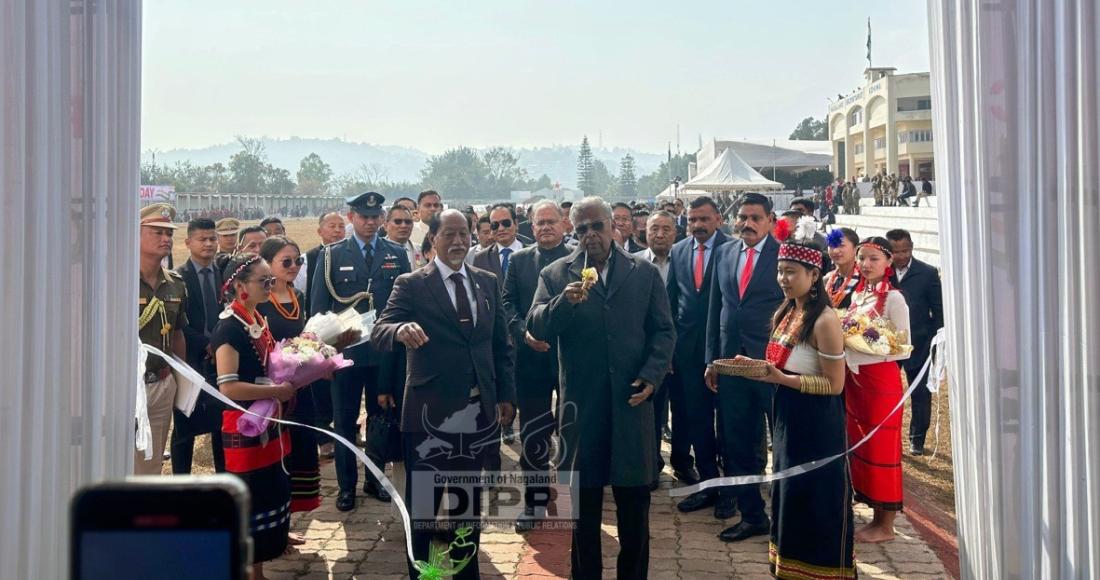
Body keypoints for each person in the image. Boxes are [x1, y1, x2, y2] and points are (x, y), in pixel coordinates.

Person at [528, 196, 675, 580]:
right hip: (583, 411)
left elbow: (663, 331)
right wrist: (565, 303)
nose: (590, 235)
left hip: (631, 403)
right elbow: (538, 325)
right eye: (581, 229)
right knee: (583, 515)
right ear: (571, 232)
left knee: (633, 514)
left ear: (614, 226)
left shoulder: (642, 272)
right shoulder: (556, 275)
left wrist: (652, 374)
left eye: (597, 226)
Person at [372, 209, 516, 580]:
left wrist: (505, 396)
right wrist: (401, 328)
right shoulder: (412, 284)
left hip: (477, 414)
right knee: (424, 511)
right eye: (449, 234)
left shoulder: (485, 281)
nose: (457, 242)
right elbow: (380, 328)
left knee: (467, 509)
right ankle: (424, 574)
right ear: (432, 239)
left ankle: (467, 574)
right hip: (428, 417)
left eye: (463, 234)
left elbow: (500, 346)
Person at [742, 218, 855, 579]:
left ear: (814, 274)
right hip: (789, 416)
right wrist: (752, 366)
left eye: (791, 272)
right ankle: (789, 567)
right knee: (789, 493)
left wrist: (781, 379)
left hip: (817, 424)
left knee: (815, 499)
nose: (783, 279)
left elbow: (835, 385)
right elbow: (781, 366)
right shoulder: (789, 311)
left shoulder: (824, 320)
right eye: (780, 271)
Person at [310, 191, 411, 511]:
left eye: (374, 217)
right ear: (350, 217)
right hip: (347, 354)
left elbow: (405, 305)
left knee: (381, 419)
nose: (369, 222)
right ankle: (346, 487)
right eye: (363, 217)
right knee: (345, 421)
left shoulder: (396, 253)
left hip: (384, 354)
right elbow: (318, 310)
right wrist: (322, 357)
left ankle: (374, 480)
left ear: (381, 219)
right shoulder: (330, 256)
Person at [704, 192, 785, 541]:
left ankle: (787, 521)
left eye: (755, 217)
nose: (747, 224)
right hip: (731, 365)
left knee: (782, 444)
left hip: (772, 365)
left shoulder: (785, 254)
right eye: (742, 217)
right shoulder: (723, 253)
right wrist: (712, 360)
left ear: (769, 220)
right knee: (737, 442)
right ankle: (752, 515)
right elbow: (715, 308)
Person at [211, 253, 294, 579]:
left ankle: (258, 566)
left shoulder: (257, 319)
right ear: (239, 286)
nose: (270, 286)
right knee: (251, 498)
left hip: (265, 423)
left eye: (271, 280)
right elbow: (228, 388)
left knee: (269, 490)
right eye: (264, 282)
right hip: (244, 426)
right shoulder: (229, 328)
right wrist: (275, 392)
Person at [502, 200, 574, 532]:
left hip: (571, 357)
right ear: (531, 227)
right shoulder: (519, 261)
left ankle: (573, 494)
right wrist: (524, 333)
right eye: (539, 223)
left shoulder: (579, 258)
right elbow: (507, 303)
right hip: (531, 359)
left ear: (564, 224)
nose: (545, 227)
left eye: (551, 221)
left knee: (573, 426)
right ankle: (534, 501)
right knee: (533, 432)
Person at [844, 236, 912, 543]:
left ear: (887, 263)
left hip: (880, 381)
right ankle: (872, 513)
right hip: (855, 380)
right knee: (862, 446)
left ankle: (886, 524)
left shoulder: (893, 298)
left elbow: (904, 347)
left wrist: (869, 344)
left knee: (882, 449)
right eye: (862, 258)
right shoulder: (860, 295)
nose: (866, 265)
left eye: (874, 259)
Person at [668, 197, 729, 513]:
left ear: (718, 219)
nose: (698, 226)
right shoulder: (678, 251)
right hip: (689, 352)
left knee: (731, 423)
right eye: (692, 220)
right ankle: (709, 486)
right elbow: (670, 301)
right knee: (698, 421)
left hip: (728, 349)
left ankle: (732, 491)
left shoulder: (734, 249)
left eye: (704, 219)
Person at [257, 237, 323, 526]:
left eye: (298, 261)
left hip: (302, 389)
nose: (294, 266)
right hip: (272, 392)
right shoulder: (260, 300)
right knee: (276, 454)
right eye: (286, 261)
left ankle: (291, 520)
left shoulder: (299, 295)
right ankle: (277, 522)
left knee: (302, 449)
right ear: (268, 264)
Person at [136, 203, 189, 475]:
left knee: (152, 460)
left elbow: (178, 333)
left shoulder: (176, 284)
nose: (166, 238)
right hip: (126, 387)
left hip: (162, 382)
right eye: (157, 232)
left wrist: (180, 381)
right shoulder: (119, 280)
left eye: (169, 233)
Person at [172, 217, 226, 474]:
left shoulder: (225, 275)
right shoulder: (177, 278)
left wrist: (220, 345)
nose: (208, 244)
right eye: (202, 239)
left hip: (222, 359)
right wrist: (206, 344)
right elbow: (177, 324)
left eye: (212, 239)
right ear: (188, 242)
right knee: (185, 426)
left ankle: (223, 480)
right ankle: (180, 483)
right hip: (190, 358)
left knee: (220, 424)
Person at [886, 229, 944, 455]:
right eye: (896, 251)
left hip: (919, 344)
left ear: (912, 247)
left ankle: (917, 439)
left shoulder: (927, 273)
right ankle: (889, 438)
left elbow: (939, 310)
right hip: (887, 344)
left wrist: (934, 339)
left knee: (920, 392)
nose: (901, 256)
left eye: (905, 250)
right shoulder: (881, 272)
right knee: (887, 393)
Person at [634, 210, 676, 485]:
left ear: (675, 232)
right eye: (654, 229)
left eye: (665, 229)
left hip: (680, 351)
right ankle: (649, 467)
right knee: (648, 413)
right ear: (645, 232)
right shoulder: (633, 264)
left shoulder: (684, 260)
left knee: (675, 411)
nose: (659, 234)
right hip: (644, 353)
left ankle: (680, 461)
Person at [824, 227, 862, 309]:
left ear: (856, 248)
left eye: (841, 245)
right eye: (832, 245)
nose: (836, 250)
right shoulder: (827, 279)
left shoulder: (864, 280)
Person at [386, 204, 424, 269]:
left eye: (408, 222)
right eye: (398, 221)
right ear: (386, 225)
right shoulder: (376, 250)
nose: (404, 226)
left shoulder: (422, 251)